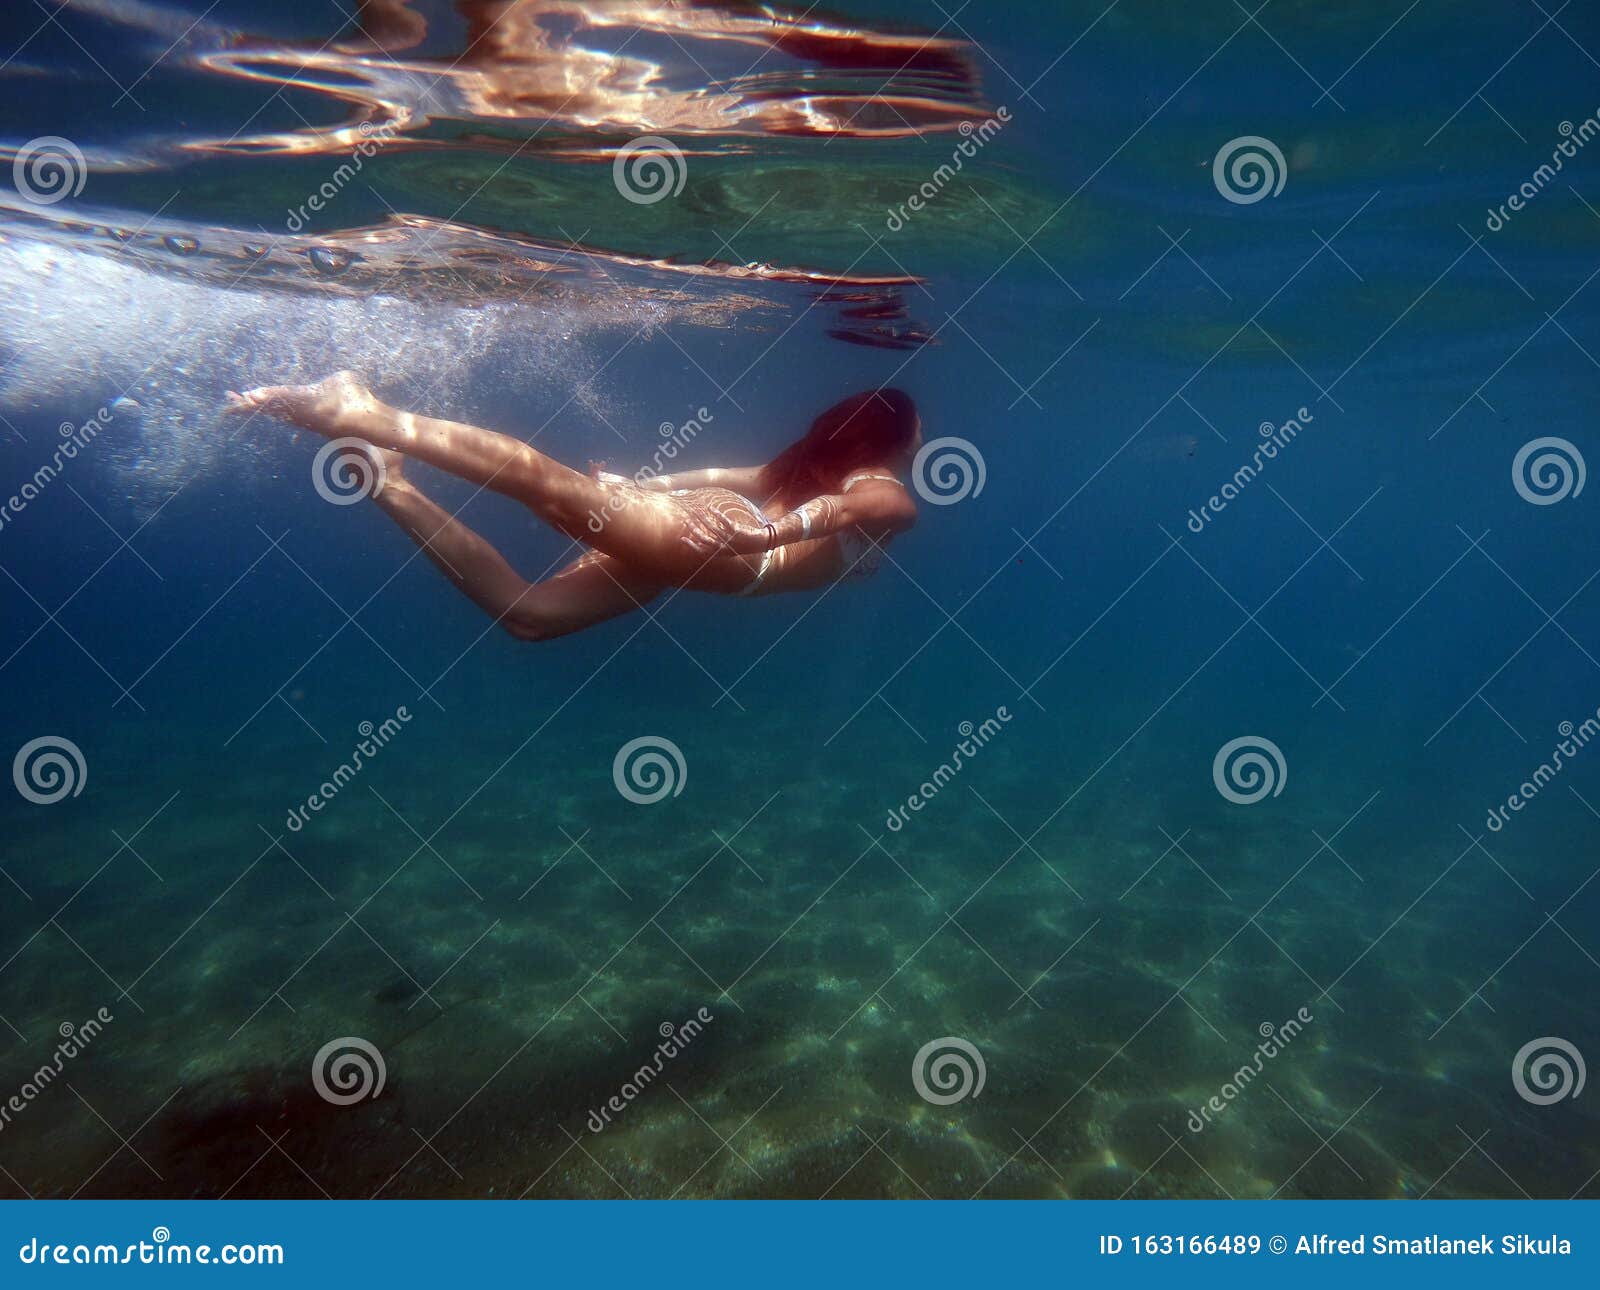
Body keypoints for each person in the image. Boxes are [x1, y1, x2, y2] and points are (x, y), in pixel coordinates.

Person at [224, 372, 920, 641]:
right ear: (898, 440)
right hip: (725, 548)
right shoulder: (889, 495)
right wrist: (761, 535)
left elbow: (723, 473)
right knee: (552, 489)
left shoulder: (814, 468)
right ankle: (363, 411)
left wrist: (644, 486)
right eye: (918, 430)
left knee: (531, 617)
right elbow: (831, 517)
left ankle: (389, 483)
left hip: (716, 544)